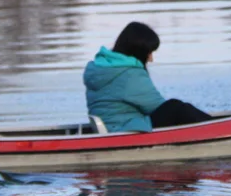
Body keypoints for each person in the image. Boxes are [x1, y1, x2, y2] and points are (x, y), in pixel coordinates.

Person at [83, 21, 214, 132]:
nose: (151, 59)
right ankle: (216, 129)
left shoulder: (101, 68)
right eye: (149, 53)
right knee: (176, 108)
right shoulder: (129, 74)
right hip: (125, 130)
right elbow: (159, 107)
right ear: (137, 51)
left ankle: (213, 125)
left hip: (110, 127)